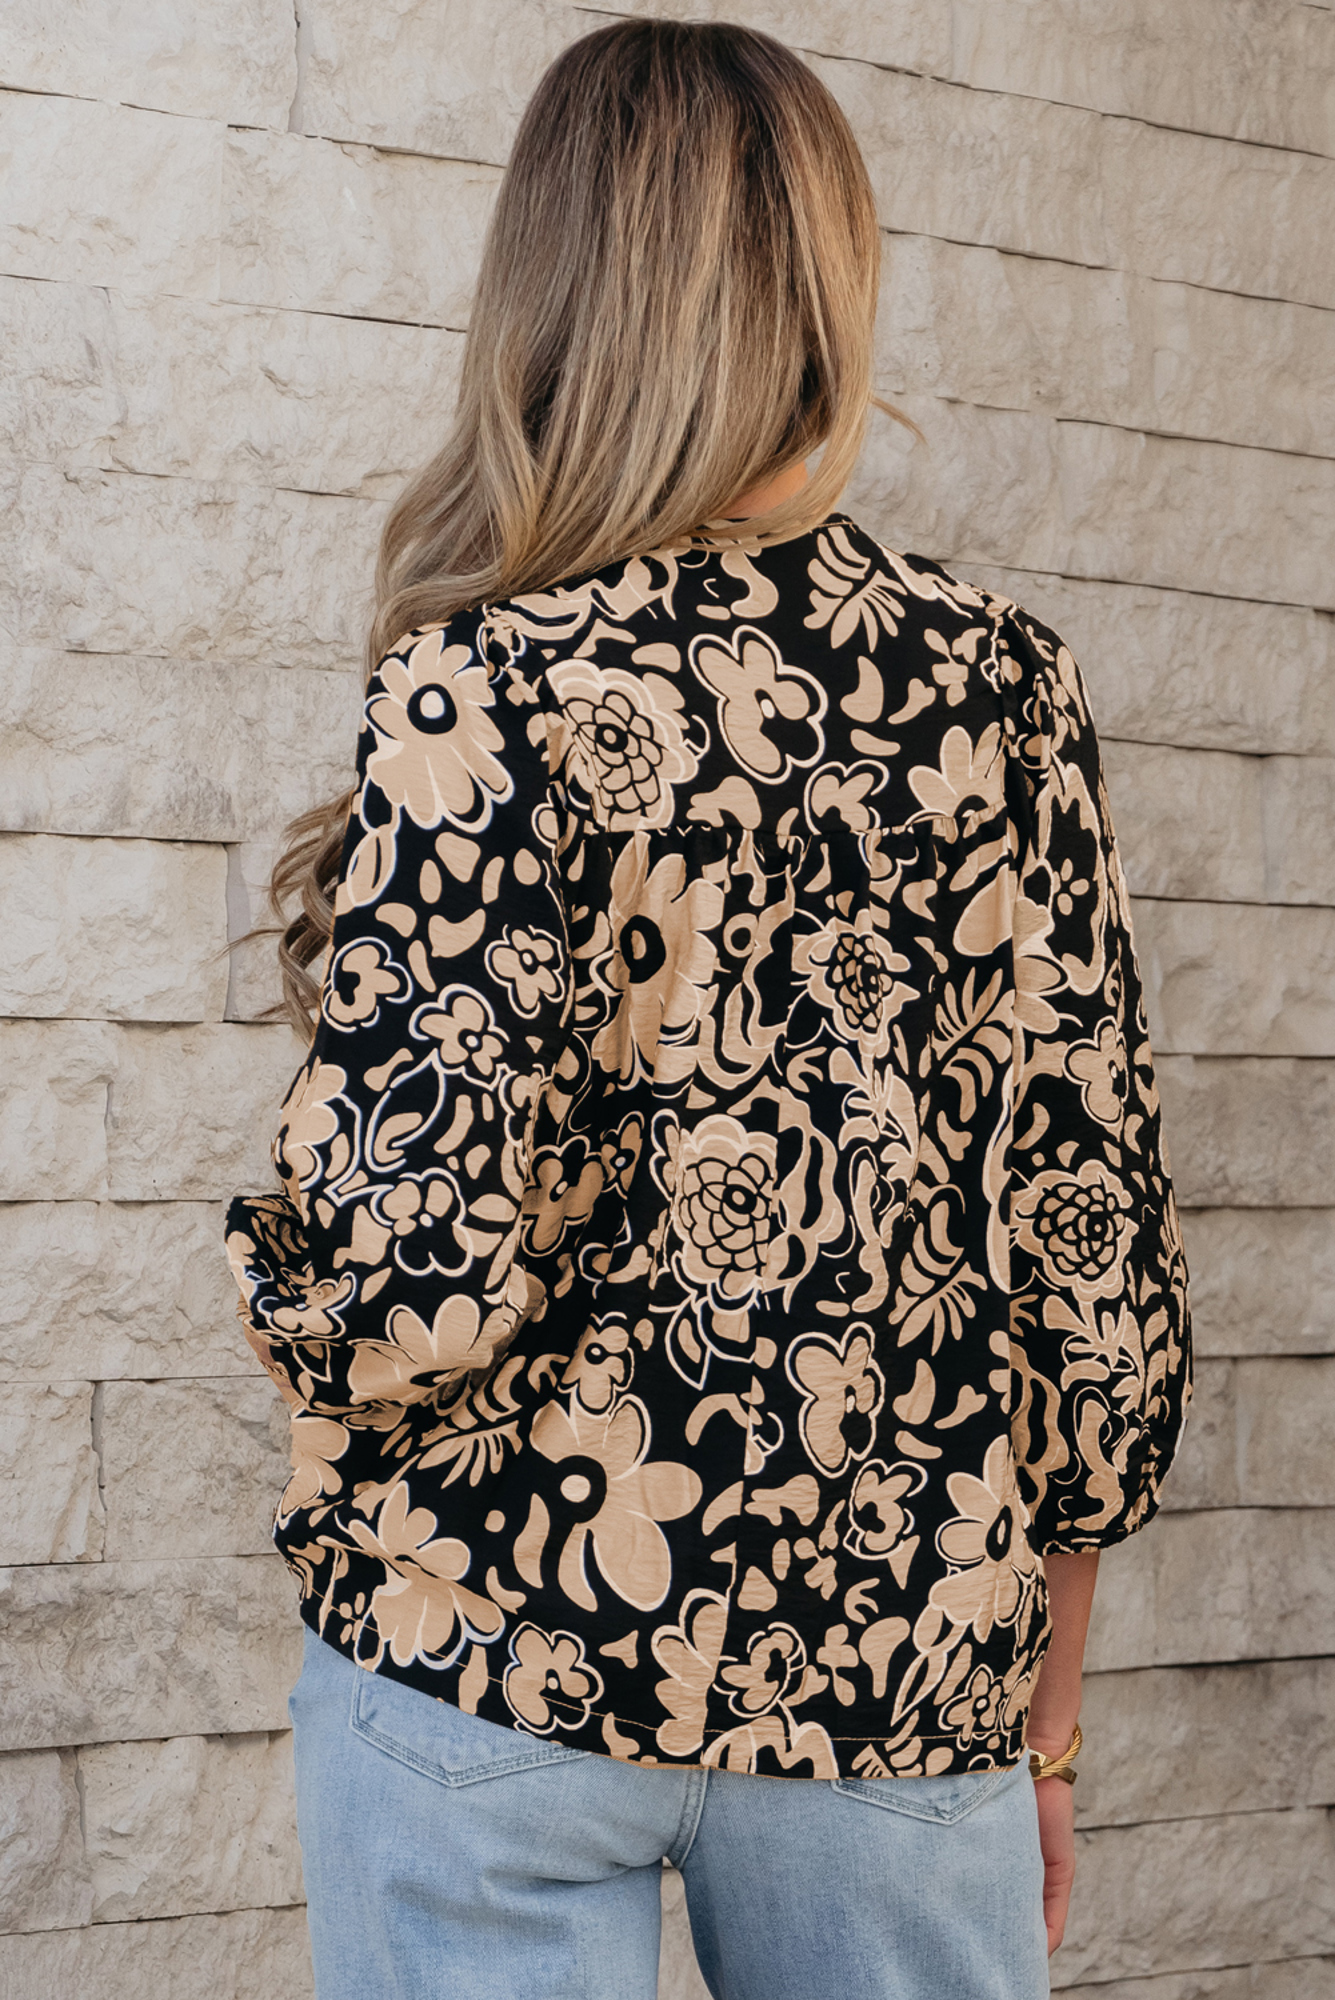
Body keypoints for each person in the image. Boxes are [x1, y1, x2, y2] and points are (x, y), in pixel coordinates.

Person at [225, 20, 1192, 1999]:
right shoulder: (1001, 688)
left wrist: (281, 1270)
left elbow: (411, 1277)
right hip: (898, 1667)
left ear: (557, 294)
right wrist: (1046, 1727)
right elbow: (1086, 1275)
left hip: (490, 1645)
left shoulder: (482, 679)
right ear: (825, 286)